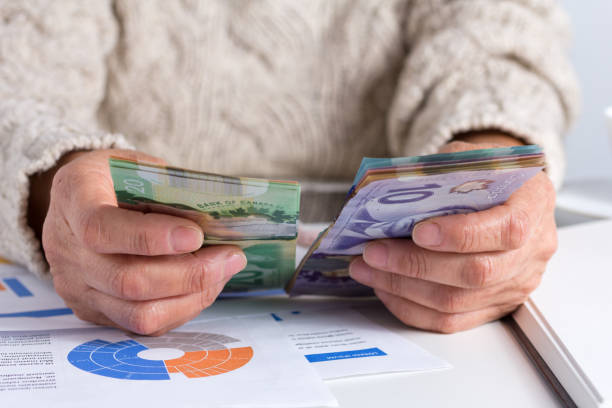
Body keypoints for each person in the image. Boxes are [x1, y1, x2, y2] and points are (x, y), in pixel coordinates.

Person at [0, 0, 579, 335]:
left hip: (402, 301)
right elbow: (16, 80)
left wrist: (490, 168)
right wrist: (57, 190)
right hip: (112, 286)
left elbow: (502, 42)